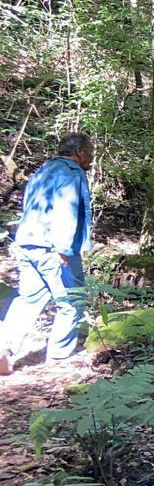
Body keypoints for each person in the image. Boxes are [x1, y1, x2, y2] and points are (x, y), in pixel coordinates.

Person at [0, 132, 94, 374]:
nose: (92, 157)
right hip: (53, 248)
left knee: (29, 299)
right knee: (72, 301)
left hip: (27, 243)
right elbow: (67, 209)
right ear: (79, 152)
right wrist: (63, 248)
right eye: (90, 151)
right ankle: (59, 357)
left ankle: (5, 349)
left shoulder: (42, 171)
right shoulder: (72, 173)